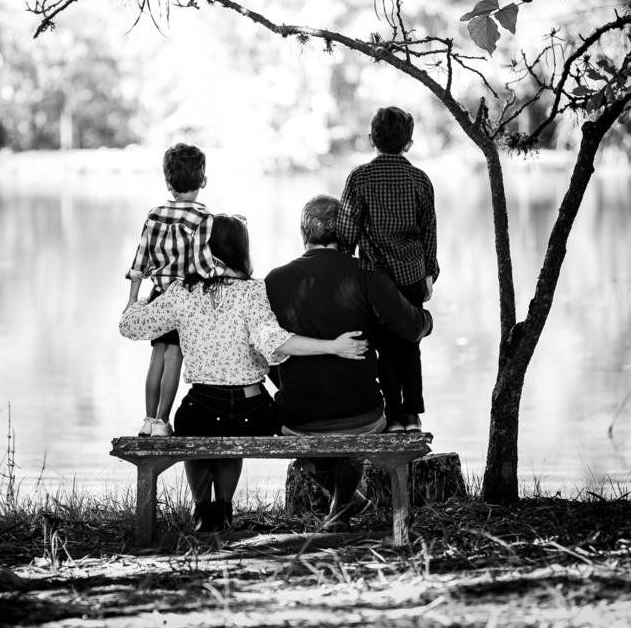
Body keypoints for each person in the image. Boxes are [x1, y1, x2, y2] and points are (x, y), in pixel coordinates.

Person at [120, 214, 368, 532]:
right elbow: (274, 343)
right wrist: (332, 346)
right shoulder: (252, 291)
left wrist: (134, 296)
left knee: (194, 425)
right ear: (241, 250)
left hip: (201, 409)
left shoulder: (182, 293)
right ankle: (223, 508)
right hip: (253, 412)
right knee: (234, 429)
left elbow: (130, 325)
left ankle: (204, 512)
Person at [267, 194, 434, 528]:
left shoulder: (273, 281)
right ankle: (344, 503)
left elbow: (261, 351)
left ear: (304, 234)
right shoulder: (367, 274)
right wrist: (426, 318)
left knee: (291, 412)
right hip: (362, 415)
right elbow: (411, 329)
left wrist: (288, 382)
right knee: (356, 408)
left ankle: (343, 505)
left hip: (297, 420)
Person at [335, 106, 440, 433]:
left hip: (374, 280)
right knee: (409, 344)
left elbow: (346, 230)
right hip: (410, 278)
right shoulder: (420, 179)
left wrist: (344, 266)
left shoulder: (359, 178)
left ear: (371, 140)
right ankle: (412, 416)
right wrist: (428, 273)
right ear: (409, 143)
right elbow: (429, 232)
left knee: (383, 346)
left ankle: (392, 416)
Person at [125, 143, 223, 437]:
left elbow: (139, 263)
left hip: (158, 297)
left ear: (168, 183)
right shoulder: (204, 218)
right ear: (203, 180)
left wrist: (132, 302)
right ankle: (163, 422)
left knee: (157, 357)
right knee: (174, 357)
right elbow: (205, 266)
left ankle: (147, 419)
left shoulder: (154, 215)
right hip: (185, 300)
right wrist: (227, 273)